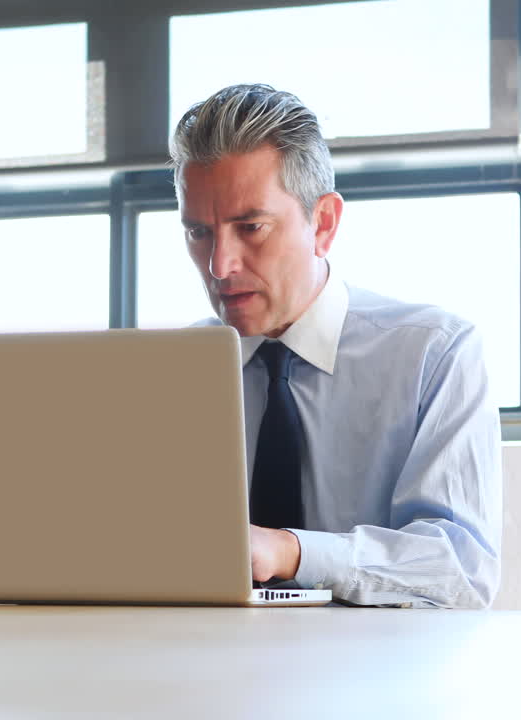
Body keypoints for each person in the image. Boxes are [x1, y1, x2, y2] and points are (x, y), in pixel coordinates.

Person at [169, 84, 502, 608]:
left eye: (250, 227)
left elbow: (460, 572)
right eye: (198, 233)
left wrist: (291, 552)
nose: (220, 266)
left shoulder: (434, 355)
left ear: (323, 223)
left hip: (376, 679)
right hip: (199, 672)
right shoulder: (172, 372)